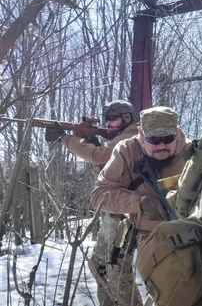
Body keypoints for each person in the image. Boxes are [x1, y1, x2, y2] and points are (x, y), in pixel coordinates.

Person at [90, 106, 190, 305]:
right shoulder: (126, 150)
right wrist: (139, 202)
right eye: (154, 139)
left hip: (179, 232)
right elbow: (99, 195)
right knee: (110, 272)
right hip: (132, 223)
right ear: (141, 135)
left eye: (168, 139)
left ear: (177, 133)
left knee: (169, 290)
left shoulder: (193, 153)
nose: (162, 145)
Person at [45, 100, 141, 306]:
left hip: (129, 213)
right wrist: (88, 136)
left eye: (113, 119)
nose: (109, 124)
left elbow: (99, 156)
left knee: (117, 269)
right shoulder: (121, 138)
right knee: (99, 265)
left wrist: (65, 139)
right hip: (116, 212)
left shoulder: (132, 136)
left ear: (127, 118)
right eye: (106, 119)